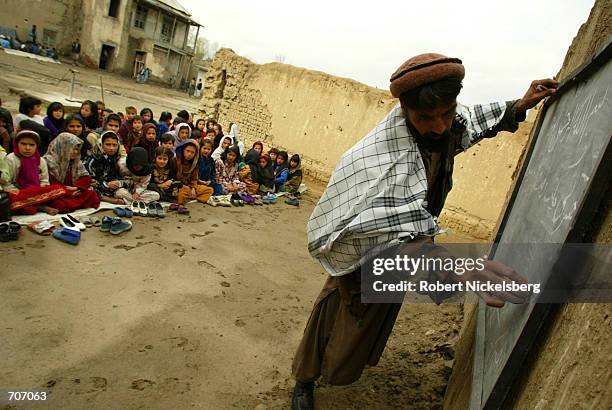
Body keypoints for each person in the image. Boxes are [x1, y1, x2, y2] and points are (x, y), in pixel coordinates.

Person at [290, 53, 556, 409]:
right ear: (403, 108)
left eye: (446, 113)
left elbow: (472, 123)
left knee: (373, 318)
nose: (440, 127)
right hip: (361, 250)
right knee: (338, 310)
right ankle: (304, 381)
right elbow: (394, 235)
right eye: (426, 118)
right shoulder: (379, 162)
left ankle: (340, 365)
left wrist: (521, 104)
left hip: (410, 244)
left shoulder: (446, 124)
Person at [2, 130, 67, 215]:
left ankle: (35, 204)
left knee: (59, 189)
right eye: (23, 144)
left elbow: (44, 181)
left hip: (37, 192)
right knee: (15, 202)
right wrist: (20, 193)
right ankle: (39, 206)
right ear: (16, 144)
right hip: (19, 192)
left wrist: (36, 193)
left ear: (37, 146)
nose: (28, 148)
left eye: (32, 145)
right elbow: (6, 183)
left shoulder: (41, 160)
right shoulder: (10, 159)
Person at [42, 132, 100, 214]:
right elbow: (51, 183)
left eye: (77, 149)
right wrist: (67, 191)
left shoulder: (75, 161)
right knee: (60, 204)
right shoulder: (49, 161)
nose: (76, 152)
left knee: (92, 195)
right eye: (73, 148)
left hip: (73, 190)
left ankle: (73, 203)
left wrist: (77, 188)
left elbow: (86, 177)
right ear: (63, 146)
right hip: (58, 193)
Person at [84, 131, 126, 204]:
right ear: (101, 145)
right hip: (97, 188)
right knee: (87, 189)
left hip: (110, 189)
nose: (111, 148)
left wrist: (118, 183)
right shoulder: (92, 160)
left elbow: (126, 179)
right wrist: (107, 185)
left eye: (114, 145)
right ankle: (107, 199)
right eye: (108, 144)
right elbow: (89, 181)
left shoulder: (116, 159)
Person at [174, 139, 214, 212]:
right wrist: (182, 186)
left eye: (192, 152)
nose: (189, 154)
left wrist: (193, 188)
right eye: (187, 151)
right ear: (183, 150)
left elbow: (194, 178)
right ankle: (182, 203)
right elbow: (173, 177)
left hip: (189, 186)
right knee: (181, 193)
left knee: (209, 190)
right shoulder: (176, 161)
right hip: (179, 185)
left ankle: (191, 197)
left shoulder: (194, 163)